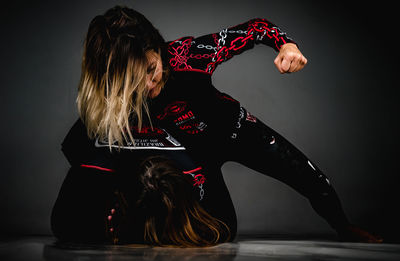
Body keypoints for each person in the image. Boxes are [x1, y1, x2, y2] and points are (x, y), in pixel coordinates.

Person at [51, 5, 383, 247]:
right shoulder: (111, 97)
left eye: (151, 68)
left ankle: (344, 226)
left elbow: (254, 28)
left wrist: (287, 45)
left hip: (233, 130)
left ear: (156, 47)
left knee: (310, 177)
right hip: (192, 150)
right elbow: (75, 149)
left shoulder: (187, 55)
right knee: (222, 225)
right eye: (134, 82)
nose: (150, 85)